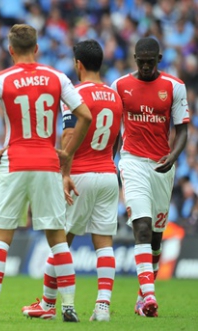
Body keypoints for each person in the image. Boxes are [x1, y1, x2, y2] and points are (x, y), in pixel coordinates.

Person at [0, 24, 92, 323]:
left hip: (15, 161)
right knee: (58, 239)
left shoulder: (1, 79)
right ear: (37, 48)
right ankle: (69, 308)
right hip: (48, 163)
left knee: (1, 239)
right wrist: (68, 153)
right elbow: (85, 115)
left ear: (10, 50)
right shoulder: (57, 77)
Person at [22, 40, 123, 322]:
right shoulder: (115, 97)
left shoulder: (75, 95)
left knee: (60, 240)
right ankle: (102, 307)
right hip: (107, 173)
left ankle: (47, 303)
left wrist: (64, 173)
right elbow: (115, 137)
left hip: (79, 174)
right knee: (104, 242)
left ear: (78, 64)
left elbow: (68, 136)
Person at [111, 37, 189, 317]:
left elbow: (182, 130)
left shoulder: (174, 87)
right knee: (141, 227)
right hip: (132, 162)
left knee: (156, 239)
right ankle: (151, 296)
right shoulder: (119, 86)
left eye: (149, 61)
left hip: (162, 166)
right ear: (134, 59)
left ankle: (140, 297)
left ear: (159, 59)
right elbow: (112, 130)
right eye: (140, 62)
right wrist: (110, 161)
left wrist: (174, 156)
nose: (145, 66)